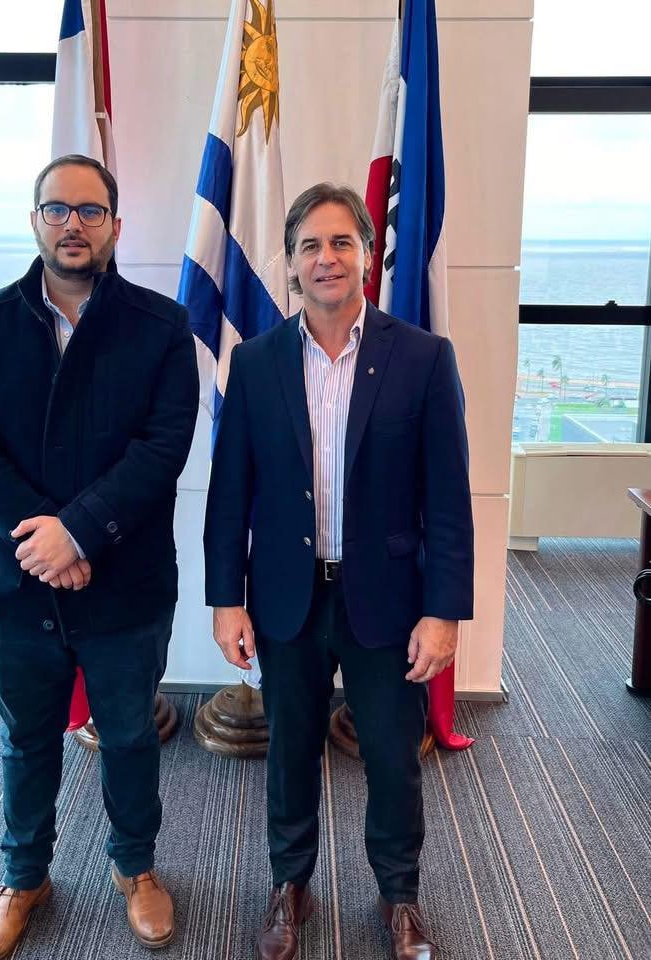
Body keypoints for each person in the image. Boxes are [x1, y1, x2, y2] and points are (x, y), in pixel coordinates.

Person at [203, 183, 473, 960]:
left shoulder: (422, 358)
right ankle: (290, 885)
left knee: (391, 756)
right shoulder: (255, 364)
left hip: (387, 601)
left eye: (341, 242)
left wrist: (443, 610)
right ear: (291, 264)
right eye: (310, 246)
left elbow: (447, 499)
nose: (327, 258)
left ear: (367, 254)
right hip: (287, 599)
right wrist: (226, 600)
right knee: (290, 750)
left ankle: (400, 895)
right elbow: (230, 494)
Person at [0, 154, 198, 960]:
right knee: (26, 738)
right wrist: (43, 540)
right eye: (57, 209)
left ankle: (136, 869)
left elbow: (163, 447)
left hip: (125, 581)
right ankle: (24, 878)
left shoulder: (161, 326)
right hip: (16, 581)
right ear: (35, 222)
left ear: (116, 226)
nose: (72, 225)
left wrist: (80, 533)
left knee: (128, 735)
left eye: (90, 211)